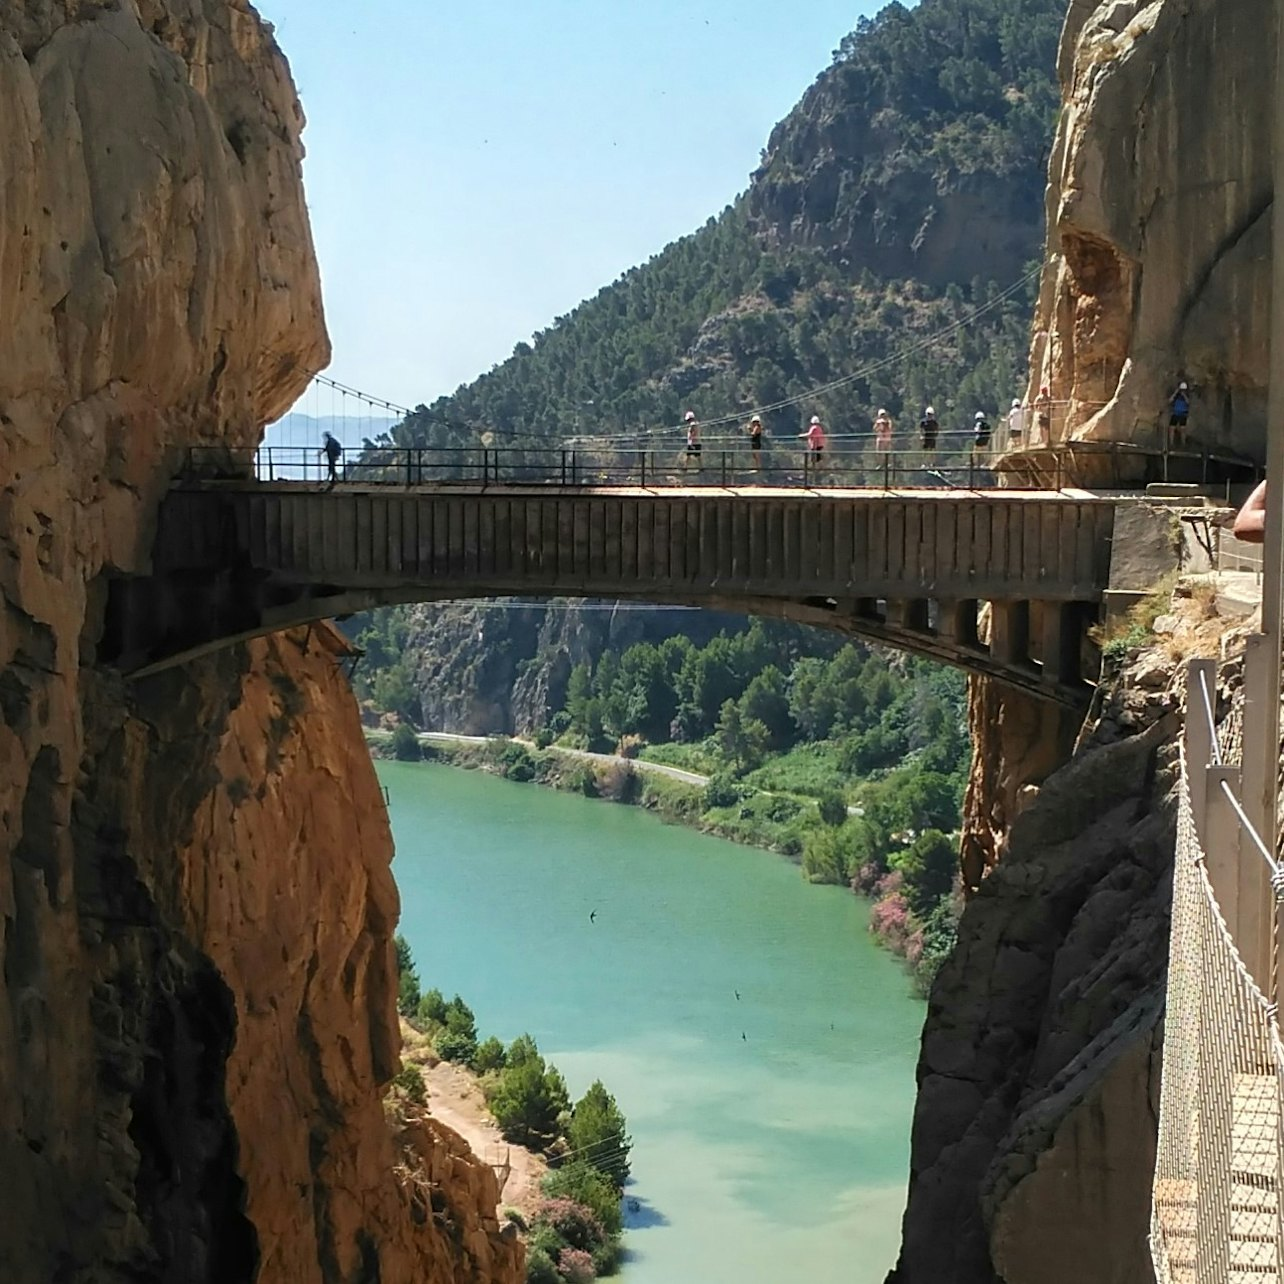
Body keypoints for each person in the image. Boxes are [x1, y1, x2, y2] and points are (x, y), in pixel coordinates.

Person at [1170, 380, 1191, 446]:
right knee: (1171, 428)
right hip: (1175, 413)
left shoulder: (1187, 395)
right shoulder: (1176, 395)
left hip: (1183, 414)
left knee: (1183, 429)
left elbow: (1188, 402)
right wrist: (1175, 393)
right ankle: (1171, 443)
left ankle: (1183, 444)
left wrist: (1184, 395)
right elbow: (1170, 400)